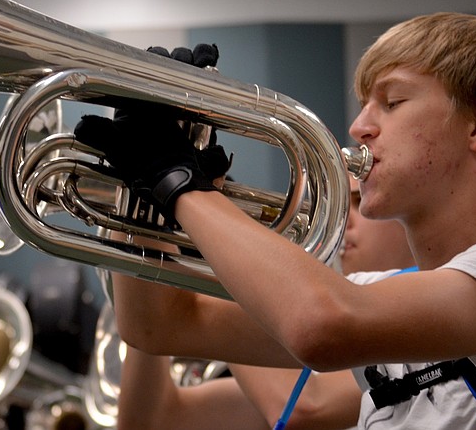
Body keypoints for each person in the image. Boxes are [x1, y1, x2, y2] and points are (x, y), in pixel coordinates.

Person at [76, 12, 476, 428]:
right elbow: (159, 325)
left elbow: (321, 326)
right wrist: (142, 199)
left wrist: (182, 187)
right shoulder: (378, 294)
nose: (359, 126)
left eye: (393, 100)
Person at [115, 178, 416, 430]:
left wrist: (211, 234)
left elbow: (303, 405)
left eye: (357, 201)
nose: (343, 218)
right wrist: (141, 222)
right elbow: (154, 420)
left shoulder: (419, 320)